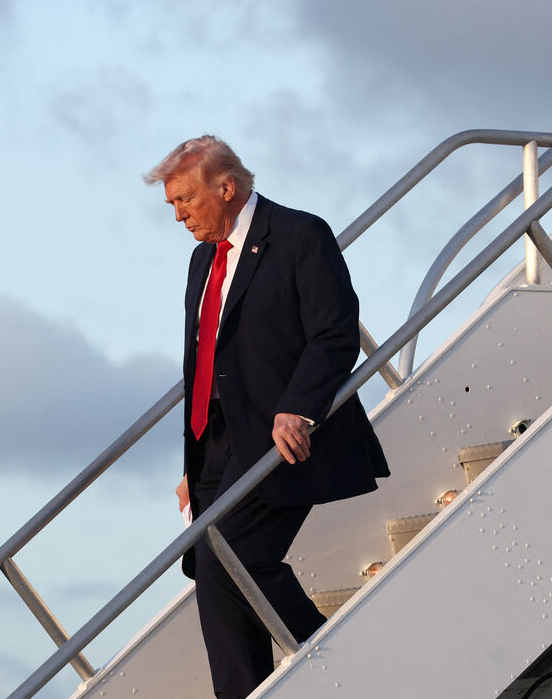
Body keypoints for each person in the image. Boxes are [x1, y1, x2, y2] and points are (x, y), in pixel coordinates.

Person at [144, 135, 389, 699]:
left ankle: (341, 671)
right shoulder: (203, 257)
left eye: (184, 200)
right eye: (172, 206)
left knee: (237, 554)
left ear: (226, 187)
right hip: (218, 441)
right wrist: (196, 454)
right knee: (211, 572)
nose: (179, 215)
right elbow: (211, 357)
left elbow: (333, 333)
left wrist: (298, 409)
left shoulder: (300, 235)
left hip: (280, 437)